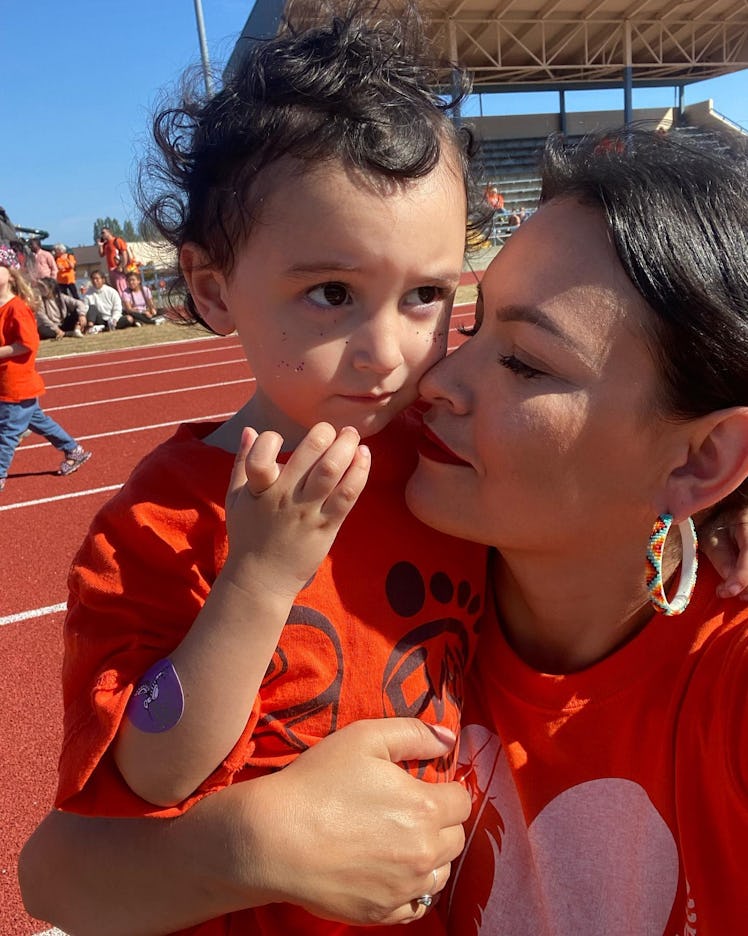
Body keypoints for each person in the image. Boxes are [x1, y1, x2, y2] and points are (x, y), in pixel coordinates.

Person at [20, 128, 748, 935]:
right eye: (473, 328)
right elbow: (57, 871)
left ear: (707, 458)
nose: (427, 376)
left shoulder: (722, 673)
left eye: (527, 363)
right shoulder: (392, 500)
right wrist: (254, 842)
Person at [31, 5, 485, 935]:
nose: (388, 352)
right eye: (331, 293)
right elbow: (151, 770)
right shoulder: (159, 524)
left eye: (427, 295)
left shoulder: (454, 457)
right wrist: (259, 576)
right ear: (210, 288)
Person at [0, 246, 92, 493]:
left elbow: (28, 344)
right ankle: (74, 449)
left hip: (16, 384)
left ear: (10, 274)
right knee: (38, 422)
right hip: (9, 385)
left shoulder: (17, 308)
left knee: (7, 434)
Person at [98, 227, 133, 295]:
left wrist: (122, 266)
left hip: (117, 268)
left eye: (103, 233)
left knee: (121, 288)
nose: (102, 235)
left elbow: (124, 253)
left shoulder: (117, 241)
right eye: (101, 233)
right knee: (115, 289)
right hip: (111, 269)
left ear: (109, 232)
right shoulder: (106, 244)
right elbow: (101, 254)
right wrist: (100, 246)